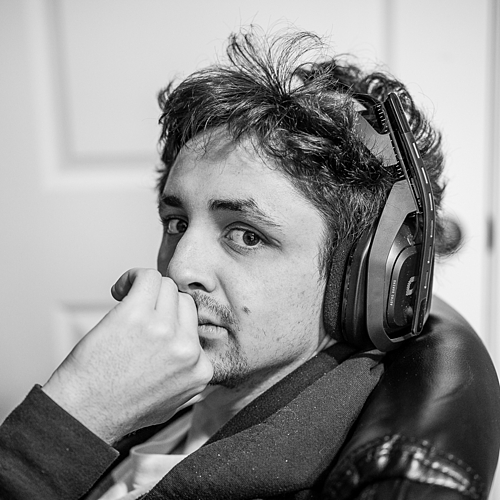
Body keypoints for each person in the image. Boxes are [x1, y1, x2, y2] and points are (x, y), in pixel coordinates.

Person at [1, 29, 499, 500]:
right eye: (176, 222)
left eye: (246, 235)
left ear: (359, 282)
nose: (180, 269)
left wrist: (77, 416)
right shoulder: (175, 399)